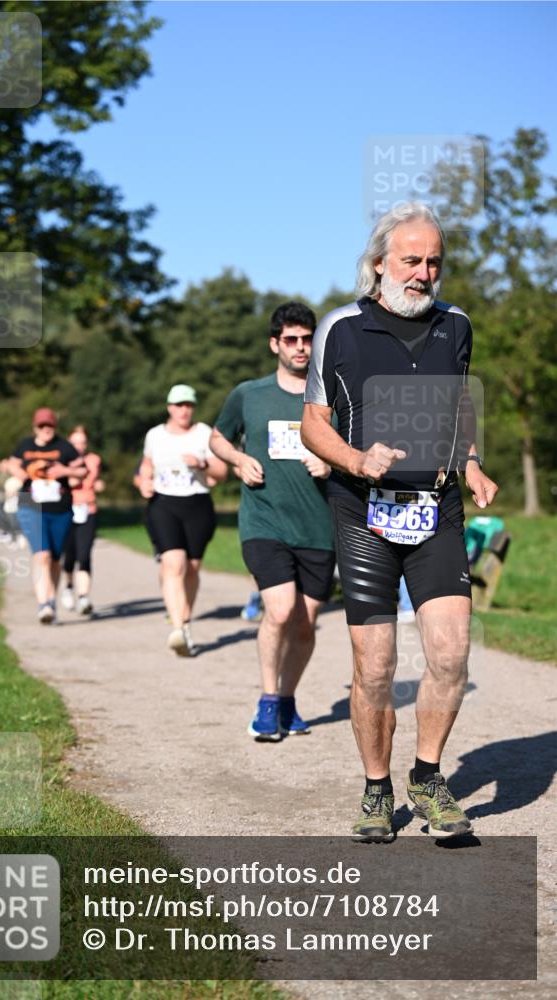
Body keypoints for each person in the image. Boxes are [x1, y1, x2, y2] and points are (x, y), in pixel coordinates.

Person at [301, 202, 498, 840]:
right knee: (377, 664)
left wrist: (470, 461)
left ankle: (429, 777)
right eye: (410, 260)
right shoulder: (340, 329)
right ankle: (377, 789)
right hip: (363, 512)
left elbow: (459, 407)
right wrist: (356, 459)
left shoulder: (457, 327)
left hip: (437, 507)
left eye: (433, 262)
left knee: (450, 653)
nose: (423, 273)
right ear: (379, 263)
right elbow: (314, 424)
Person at [210, 302, 336, 740]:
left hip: (320, 527)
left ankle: (287, 698)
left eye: (308, 340)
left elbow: (358, 454)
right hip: (264, 522)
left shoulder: (333, 396)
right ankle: (266, 702)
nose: (301, 348)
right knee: (280, 611)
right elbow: (217, 436)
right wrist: (238, 459)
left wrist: (332, 465)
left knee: (306, 621)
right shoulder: (249, 393)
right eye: (292, 340)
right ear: (274, 344)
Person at [135, 384, 227, 656]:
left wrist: (201, 464)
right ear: (169, 407)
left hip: (197, 503)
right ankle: (177, 628)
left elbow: (221, 473)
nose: (183, 410)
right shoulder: (155, 435)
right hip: (163, 503)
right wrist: (143, 483)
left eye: (188, 405)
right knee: (173, 563)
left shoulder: (204, 433)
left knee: (192, 568)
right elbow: (146, 467)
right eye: (178, 405)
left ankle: (185, 623)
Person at [8, 408, 87, 624]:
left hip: (60, 509)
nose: (46, 430)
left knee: (54, 559)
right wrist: (22, 473)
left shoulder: (65, 447)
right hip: (30, 506)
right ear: (35, 427)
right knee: (41, 556)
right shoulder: (25, 446)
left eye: (49, 426)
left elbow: (82, 471)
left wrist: (65, 471)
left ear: (55, 427)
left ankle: (51, 601)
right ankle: (44, 604)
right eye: (42, 426)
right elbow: (11, 463)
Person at [61, 426, 104, 616]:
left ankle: (84, 597)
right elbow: (69, 483)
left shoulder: (94, 460)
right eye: (75, 443)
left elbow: (94, 479)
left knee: (84, 554)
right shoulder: (61, 460)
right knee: (69, 556)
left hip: (88, 509)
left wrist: (98, 484)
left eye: (82, 443)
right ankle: (69, 586)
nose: (79, 447)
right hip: (67, 510)